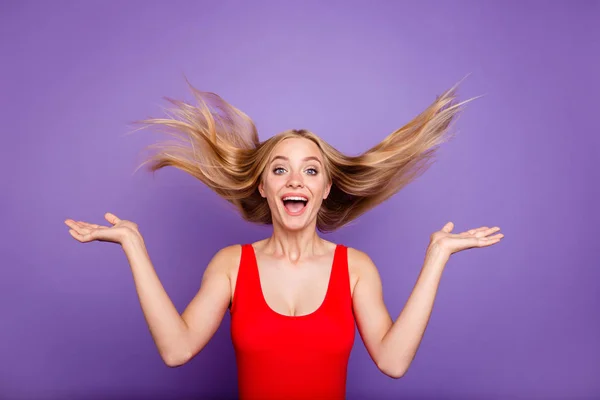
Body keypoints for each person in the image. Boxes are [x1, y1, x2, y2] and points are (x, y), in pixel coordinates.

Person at [64, 80, 503, 400]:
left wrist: (437, 258)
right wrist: (134, 246)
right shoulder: (231, 264)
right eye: (280, 169)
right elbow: (176, 350)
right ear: (262, 186)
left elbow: (393, 362)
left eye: (311, 170)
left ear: (326, 189)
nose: (296, 179)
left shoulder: (356, 268)